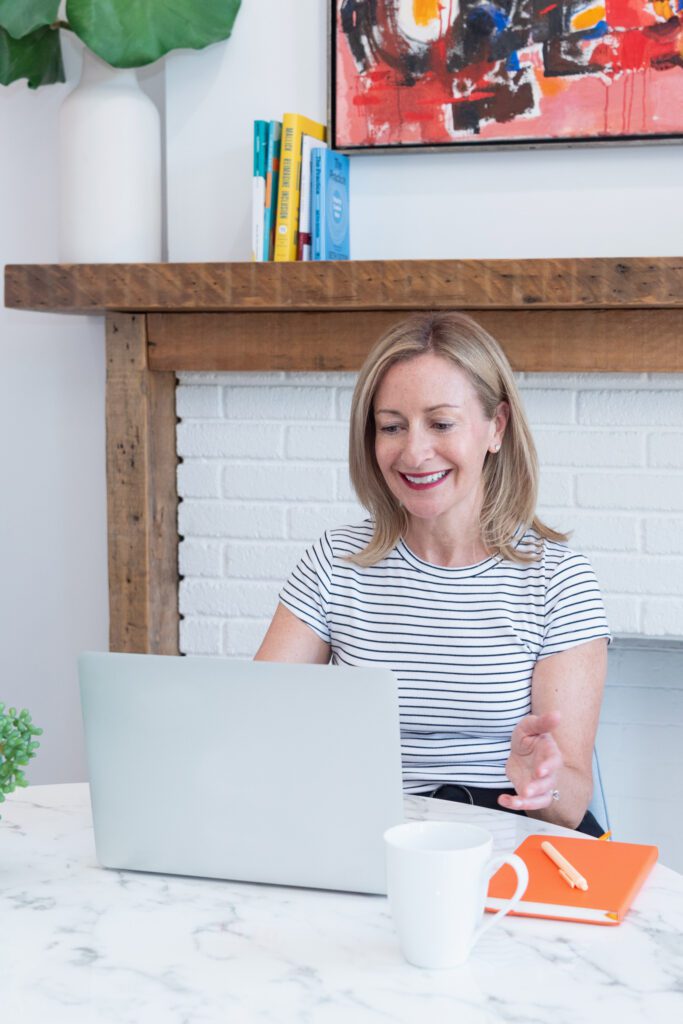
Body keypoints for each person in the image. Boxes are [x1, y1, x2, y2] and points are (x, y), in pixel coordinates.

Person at [255, 312, 610, 836]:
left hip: (508, 836)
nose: (414, 452)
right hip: (373, 832)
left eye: (441, 424)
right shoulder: (334, 563)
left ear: (497, 427)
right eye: (392, 426)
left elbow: (569, 803)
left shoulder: (558, 580)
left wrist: (544, 783)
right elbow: (254, 722)